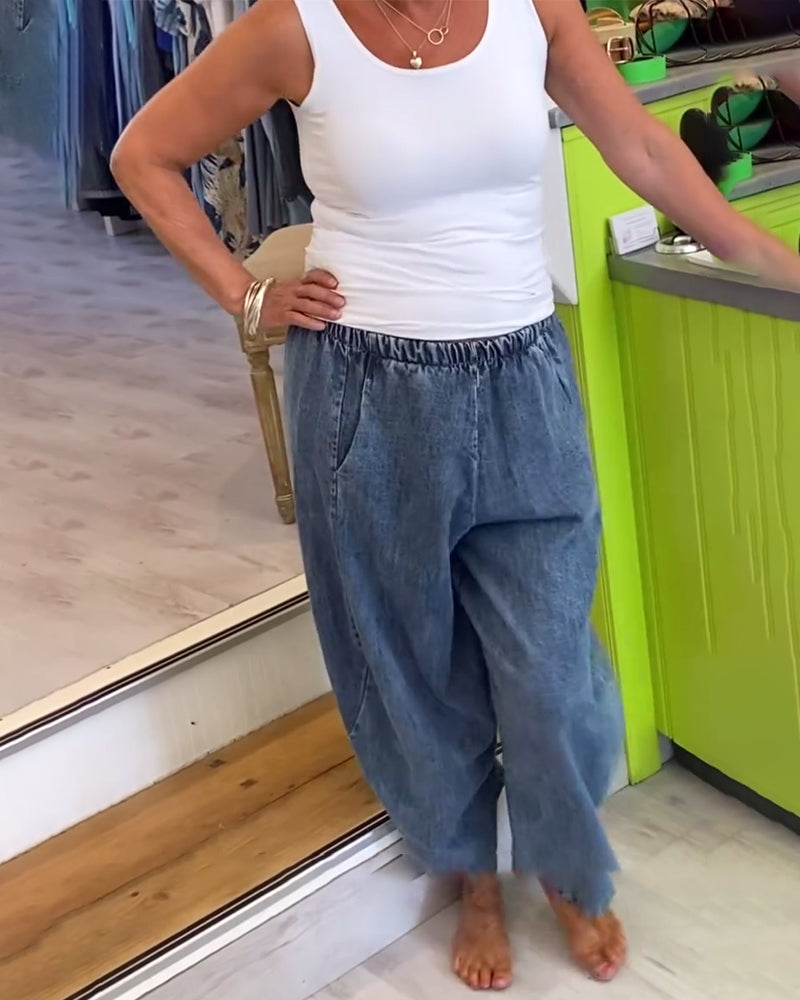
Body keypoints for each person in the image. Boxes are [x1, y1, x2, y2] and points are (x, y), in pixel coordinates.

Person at [111, 0, 800, 990]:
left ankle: (562, 862)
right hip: (367, 392)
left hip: (523, 375)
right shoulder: (292, 28)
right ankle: (473, 877)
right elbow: (143, 155)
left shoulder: (535, 10)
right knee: (411, 661)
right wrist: (246, 294)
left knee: (554, 666)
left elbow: (645, 148)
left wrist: (764, 256)